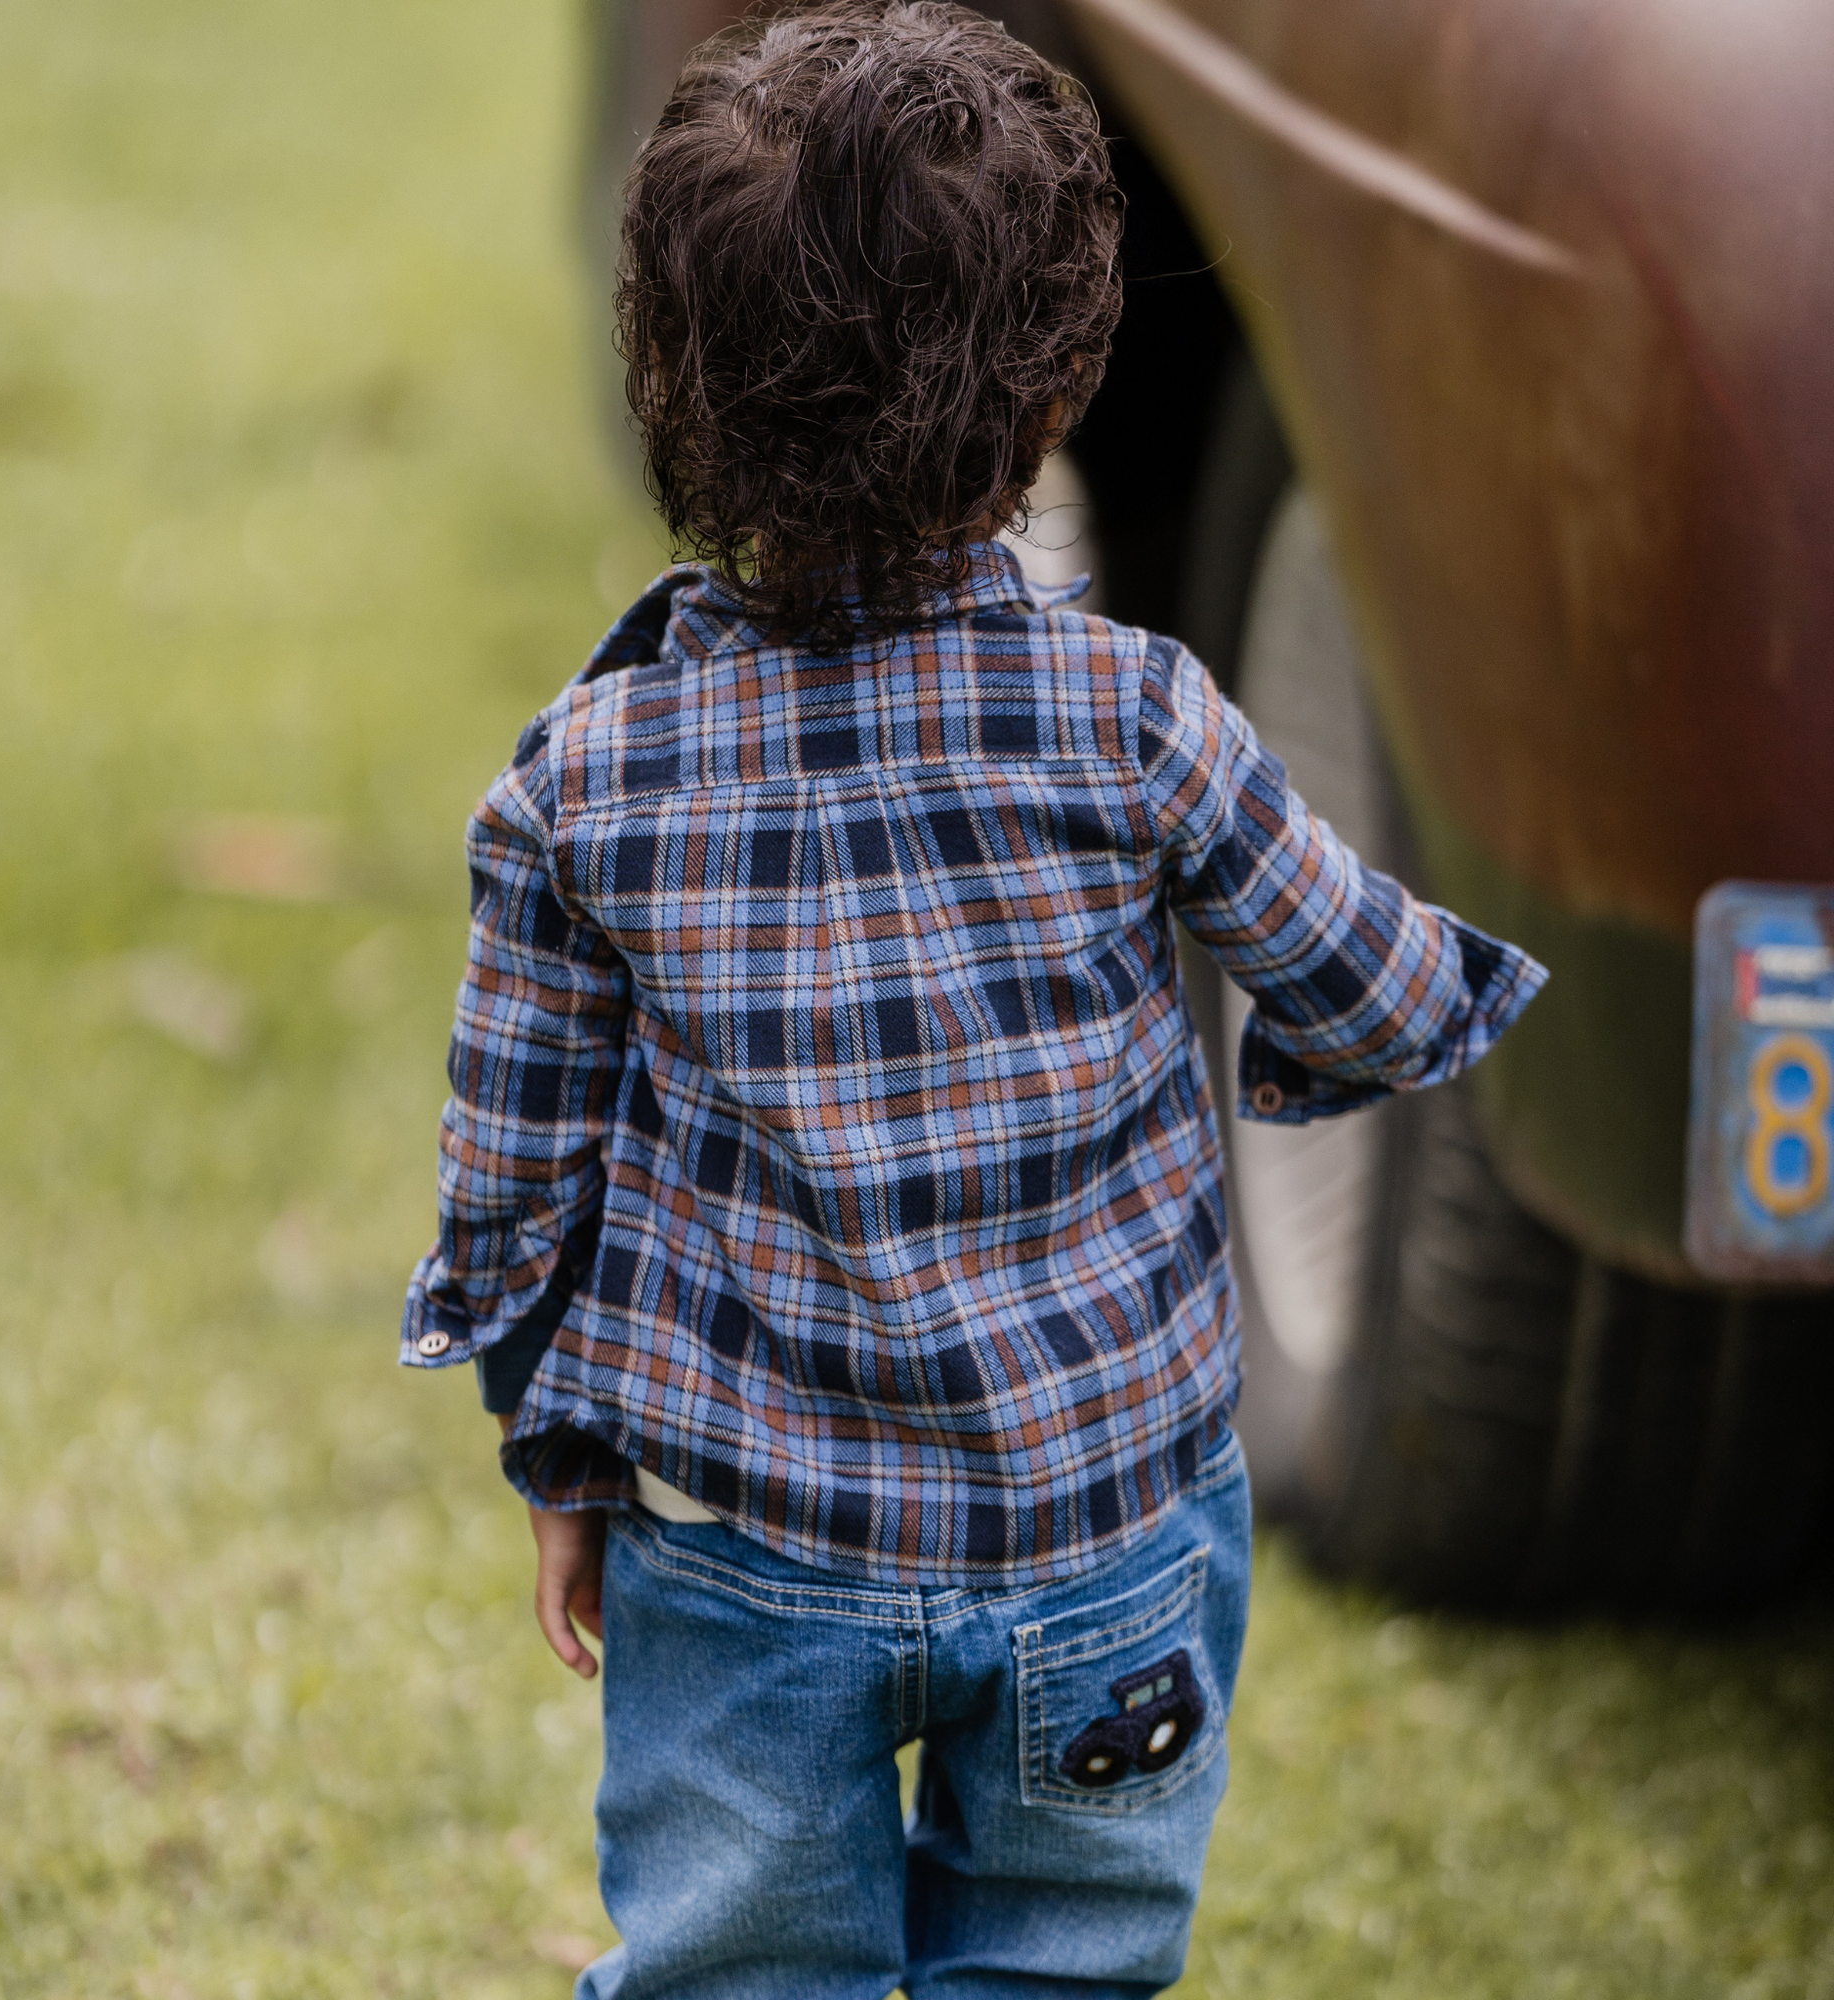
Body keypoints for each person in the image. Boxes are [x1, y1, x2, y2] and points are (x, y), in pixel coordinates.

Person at [401, 5, 1545, 1993]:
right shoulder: (1140, 724)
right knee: (1060, 1962)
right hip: (1105, 1533)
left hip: (752, 1557)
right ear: (1055, 381)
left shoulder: (581, 787)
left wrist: (561, 1459)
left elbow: (515, 1198)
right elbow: (1366, 990)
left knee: (745, 1974)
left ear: (668, 374)